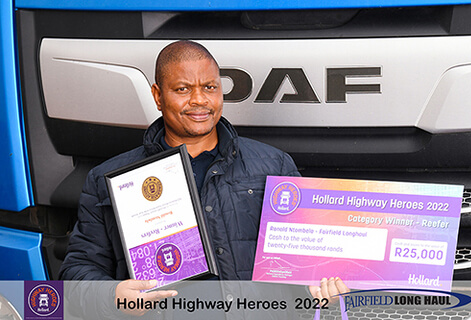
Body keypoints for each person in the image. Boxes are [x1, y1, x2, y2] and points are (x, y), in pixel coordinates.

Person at [59, 40, 348, 319]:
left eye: (209, 87)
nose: (199, 100)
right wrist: (113, 295)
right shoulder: (109, 180)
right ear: (158, 96)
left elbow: (309, 260)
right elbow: (77, 271)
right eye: (183, 89)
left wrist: (322, 283)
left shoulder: (275, 165)